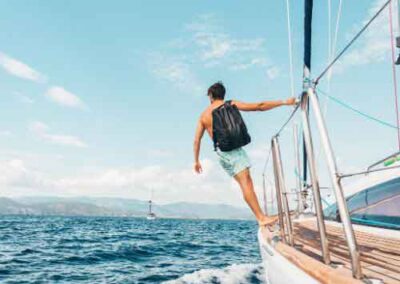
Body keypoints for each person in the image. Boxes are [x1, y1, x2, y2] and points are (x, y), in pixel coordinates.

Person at [193, 82, 296, 227]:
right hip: (234, 152)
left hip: (222, 153)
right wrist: (285, 102)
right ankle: (261, 218)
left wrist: (196, 160)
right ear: (223, 94)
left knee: (246, 183)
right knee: (246, 183)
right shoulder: (231, 103)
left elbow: (197, 140)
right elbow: (259, 106)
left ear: (210, 96)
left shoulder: (204, 116)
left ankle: (261, 216)